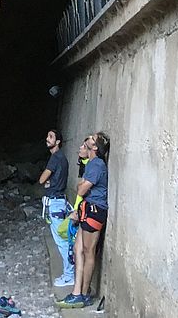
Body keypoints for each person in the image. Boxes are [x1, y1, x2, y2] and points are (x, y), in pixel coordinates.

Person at [57, 132, 110, 309]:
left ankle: (84, 293)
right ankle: (76, 292)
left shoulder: (96, 165)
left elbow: (80, 189)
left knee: (88, 251)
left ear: (95, 147)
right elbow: (81, 187)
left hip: (94, 211)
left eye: (91, 139)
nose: (87, 139)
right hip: (87, 209)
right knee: (78, 249)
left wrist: (82, 186)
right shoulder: (91, 163)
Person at [39, 129, 74, 286]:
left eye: (51, 137)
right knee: (63, 239)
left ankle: (69, 275)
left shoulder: (55, 158)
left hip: (55, 203)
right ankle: (69, 273)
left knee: (61, 241)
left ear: (58, 142)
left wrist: (46, 181)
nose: (47, 139)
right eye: (47, 136)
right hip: (59, 201)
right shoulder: (62, 159)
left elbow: (42, 179)